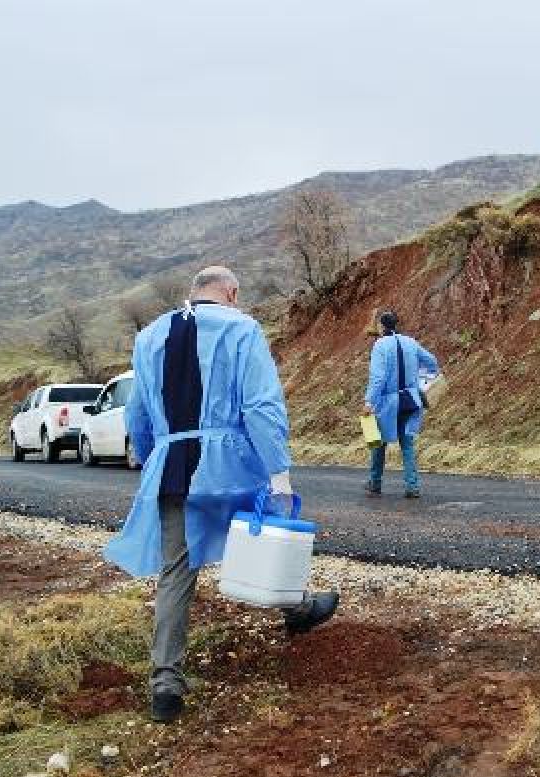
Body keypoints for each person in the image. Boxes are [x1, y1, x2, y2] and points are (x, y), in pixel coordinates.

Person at [104, 264, 338, 724]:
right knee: (259, 537)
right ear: (232, 292)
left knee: (176, 571)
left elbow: (138, 415)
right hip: (231, 464)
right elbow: (260, 405)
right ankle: (301, 608)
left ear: (195, 292)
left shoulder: (150, 336)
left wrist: (155, 460)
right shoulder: (243, 327)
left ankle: (165, 683)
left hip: (173, 464)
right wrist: (278, 471)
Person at [363, 311, 439, 498]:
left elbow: (378, 378)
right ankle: (412, 487)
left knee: (379, 443)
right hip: (411, 399)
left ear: (382, 326)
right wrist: (420, 380)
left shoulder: (380, 346)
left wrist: (368, 401)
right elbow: (432, 362)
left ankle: (375, 483)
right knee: (407, 444)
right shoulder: (410, 342)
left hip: (388, 402)